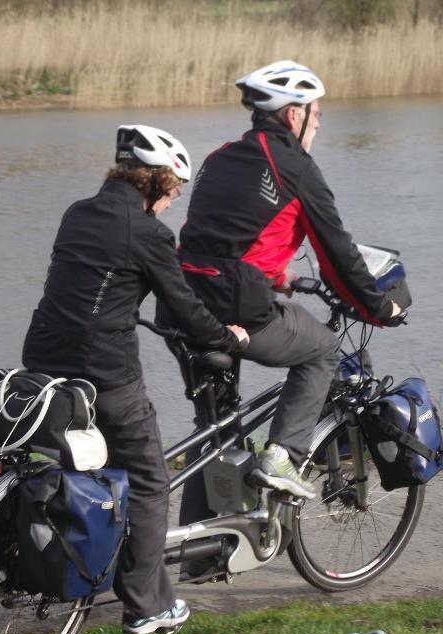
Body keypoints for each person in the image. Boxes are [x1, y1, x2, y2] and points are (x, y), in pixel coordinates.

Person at [155, 61, 401, 580]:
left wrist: (276, 275)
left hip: (181, 303)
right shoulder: (297, 168)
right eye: (315, 115)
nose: (319, 125)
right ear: (293, 114)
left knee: (215, 426)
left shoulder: (224, 156)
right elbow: (337, 254)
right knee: (323, 349)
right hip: (234, 307)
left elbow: (221, 234)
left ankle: (199, 558)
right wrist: (379, 308)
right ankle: (284, 456)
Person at [22, 124, 249, 634]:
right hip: (104, 374)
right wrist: (229, 337)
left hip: (42, 362)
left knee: (91, 467)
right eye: (174, 193)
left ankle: (94, 563)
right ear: (156, 183)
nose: (173, 204)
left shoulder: (77, 213)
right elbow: (185, 309)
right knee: (149, 480)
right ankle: (147, 605)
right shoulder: (148, 233)